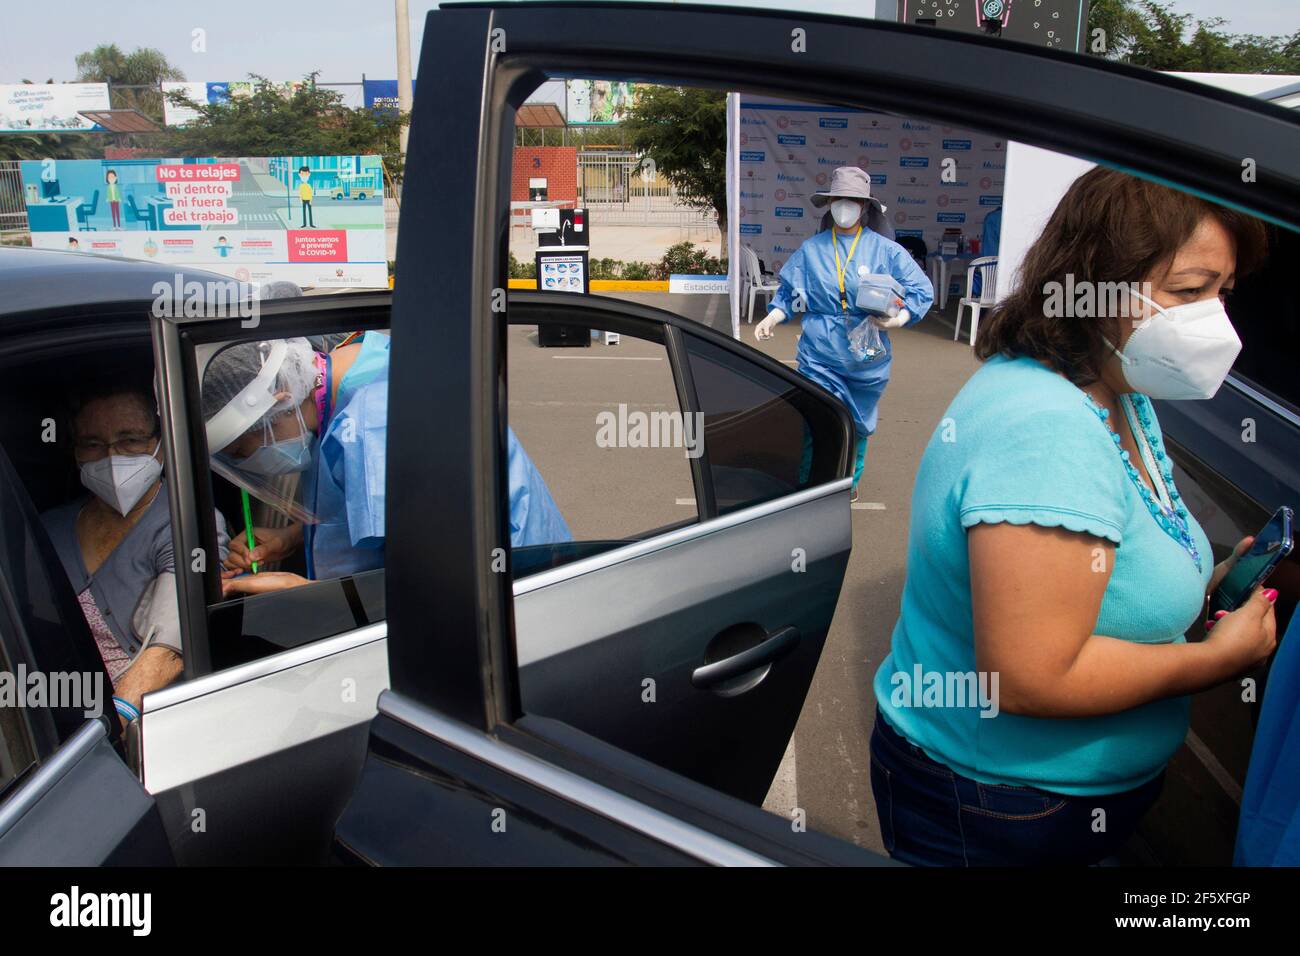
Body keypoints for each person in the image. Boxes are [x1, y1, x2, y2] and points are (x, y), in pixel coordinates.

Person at [869, 168, 1277, 866]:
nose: (1214, 318)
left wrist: (1205, 582)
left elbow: (1098, 568)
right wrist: (1212, 661)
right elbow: (1033, 677)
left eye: (1222, 292)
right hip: (1003, 807)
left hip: (1051, 802)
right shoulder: (1048, 427)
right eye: (1187, 291)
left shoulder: (1116, 388)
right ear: (1097, 283)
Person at [204, 333, 570, 595]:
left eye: (242, 450)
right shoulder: (341, 375)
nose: (251, 461)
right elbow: (379, 508)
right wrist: (290, 538)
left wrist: (305, 595)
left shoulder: (378, 425)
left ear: (278, 400)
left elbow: (437, 587)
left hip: (516, 601)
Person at [42, 380, 230, 727]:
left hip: (132, 723)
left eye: (130, 440)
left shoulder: (187, 523)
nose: (113, 457)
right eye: (93, 444)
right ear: (76, 451)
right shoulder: (48, 529)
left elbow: (170, 648)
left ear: (160, 442)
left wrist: (113, 725)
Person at [755, 166, 933, 501]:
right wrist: (774, 316)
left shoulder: (887, 251)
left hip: (867, 351)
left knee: (859, 423)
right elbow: (793, 288)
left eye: (852, 200)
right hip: (819, 351)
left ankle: (848, 483)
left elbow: (921, 290)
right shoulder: (812, 249)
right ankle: (810, 482)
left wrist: (898, 319)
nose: (844, 206)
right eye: (839, 200)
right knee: (816, 417)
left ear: (864, 206)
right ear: (830, 203)